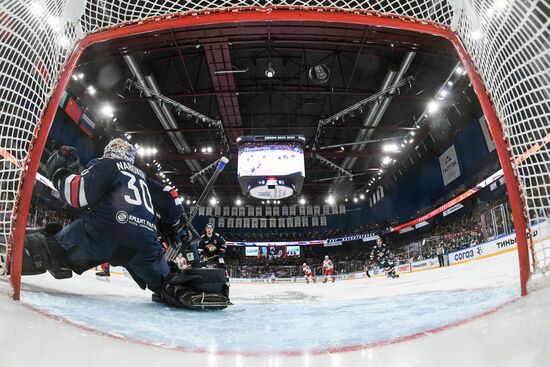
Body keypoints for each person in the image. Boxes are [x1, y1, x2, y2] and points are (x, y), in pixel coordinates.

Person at [17, 139, 229, 310]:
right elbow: (169, 194)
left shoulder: (107, 164)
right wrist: (177, 224)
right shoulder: (144, 178)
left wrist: (59, 173)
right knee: (166, 280)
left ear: (109, 151)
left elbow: (77, 195)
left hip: (103, 233)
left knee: (49, 249)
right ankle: (188, 290)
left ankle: (11, 254)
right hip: (144, 244)